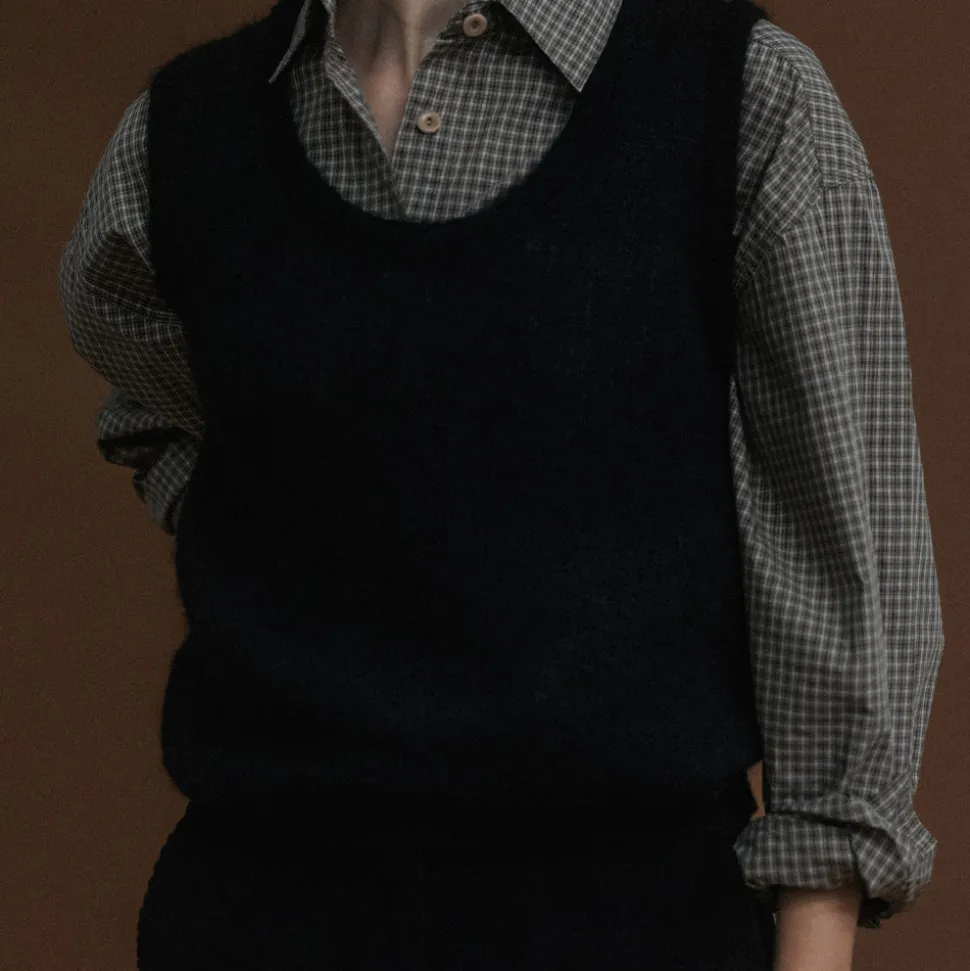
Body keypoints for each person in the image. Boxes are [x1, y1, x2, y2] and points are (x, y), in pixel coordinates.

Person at [58, 0, 945, 969]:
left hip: (630, 925)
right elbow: (168, 409)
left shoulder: (744, 98)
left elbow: (837, 561)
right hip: (256, 918)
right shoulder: (186, 131)